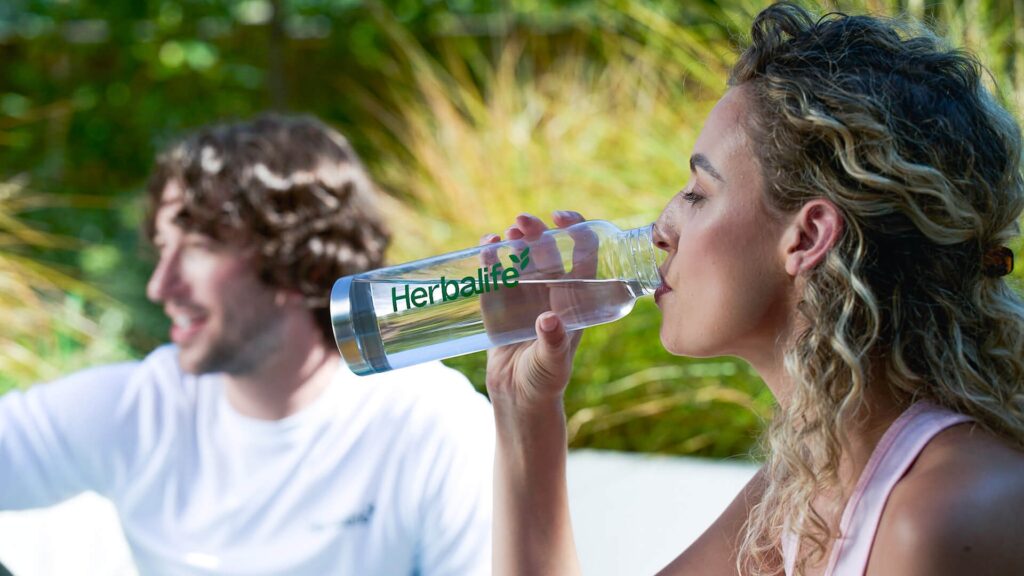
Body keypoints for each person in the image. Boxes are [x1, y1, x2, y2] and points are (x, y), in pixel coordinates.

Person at [484, 3, 1024, 575]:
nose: (662, 229)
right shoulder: (810, 482)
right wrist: (525, 407)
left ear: (808, 235)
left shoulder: (946, 514)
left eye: (698, 191)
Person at [0, 114, 495, 575]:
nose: (161, 285)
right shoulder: (140, 408)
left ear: (305, 265)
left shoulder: (429, 422)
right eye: (162, 246)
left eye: (198, 247)